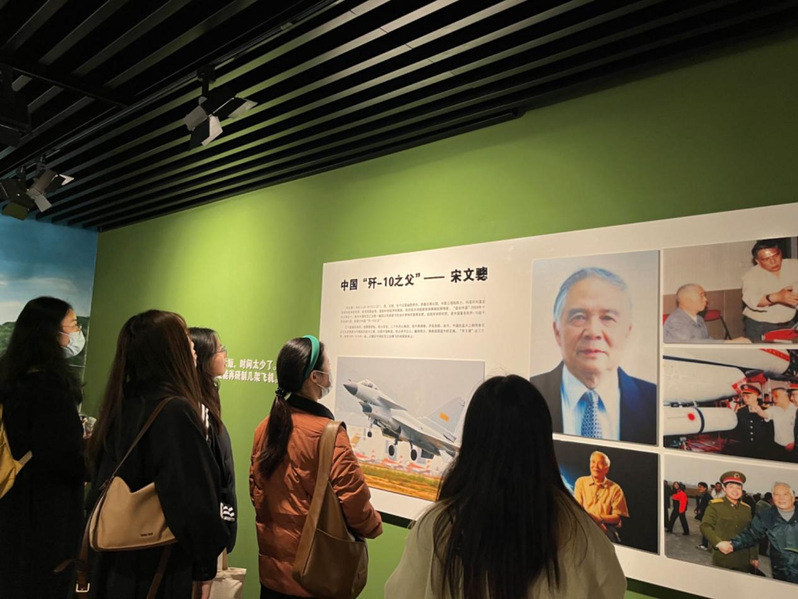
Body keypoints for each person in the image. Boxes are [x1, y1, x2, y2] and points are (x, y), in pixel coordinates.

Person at [385, 375, 626, 599]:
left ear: (474, 440)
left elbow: (401, 592)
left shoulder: (438, 527)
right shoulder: (581, 534)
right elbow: (611, 586)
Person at [87, 310, 229, 599]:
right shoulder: (174, 410)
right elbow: (193, 500)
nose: (192, 345)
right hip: (156, 562)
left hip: (112, 560)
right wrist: (205, 567)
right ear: (168, 350)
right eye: (184, 338)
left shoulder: (121, 402)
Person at [250, 335, 382, 598]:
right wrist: (373, 526)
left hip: (272, 577)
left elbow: (256, 492)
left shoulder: (265, 428)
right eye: (328, 368)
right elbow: (354, 500)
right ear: (315, 377)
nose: (330, 374)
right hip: (312, 577)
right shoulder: (329, 434)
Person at [0, 297, 86, 599]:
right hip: (42, 510)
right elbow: (62, 454)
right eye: (73, 325)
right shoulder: (49, 386)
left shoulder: (10, 375)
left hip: (10, 496)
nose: (77, 332)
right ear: (50, 332)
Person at [530, 268, 656, 444]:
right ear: (557, 331)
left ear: (627, 331)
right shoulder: (526, 395)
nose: (593, 332)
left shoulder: (654, 402)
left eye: (608, 318)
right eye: (579, 317)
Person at [190, 327, 237, 553]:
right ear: (203, 358)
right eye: (220, 349)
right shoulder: (196, 410)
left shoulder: (206, 401)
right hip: (204, 529)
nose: (225, 354)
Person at [717, 483, 798, 583]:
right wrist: (732, 544)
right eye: (777, 495)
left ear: (793, 497)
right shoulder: (766, 516)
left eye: (785, 494)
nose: (781, 498)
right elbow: (752, 534)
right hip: (782, 571)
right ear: (773, 498)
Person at [699, 471, 757, 573]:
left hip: (743, 559)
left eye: (738, 487)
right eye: (731, 487)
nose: (735, 491)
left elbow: (751, 533)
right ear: (724, 489)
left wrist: (754, 556)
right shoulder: (715, 505)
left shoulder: (747, 509)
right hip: (723, 557)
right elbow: (705, 526)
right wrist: (718, 543)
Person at [741, 239, 798, 341]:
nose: (773, 262)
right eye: (766, 259)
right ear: (757, 261)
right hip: (760, 326)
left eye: (775, 255)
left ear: (780, 253)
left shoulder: (794, 265)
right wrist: (778, 297)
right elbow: (752, 300)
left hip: (789, 324)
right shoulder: (751, 276)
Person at [573, 451, 629, 543]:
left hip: (605, 529)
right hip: (584, 526)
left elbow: (617, 518)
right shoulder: (581, 482)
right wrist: (593, 520)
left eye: (600, 463)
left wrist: (600, 519)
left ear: (607, 469)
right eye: (593, 462)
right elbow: (577, 509)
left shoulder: (615, 488)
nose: (595, 466)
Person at [663, 284, 750, 343]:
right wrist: (727, 343)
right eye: (701, 296)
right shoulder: (676, 321)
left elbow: (708, 340)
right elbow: (692, 345)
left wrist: (731, 343)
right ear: (687, 300)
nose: (705, 299)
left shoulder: (699, 318)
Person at [725, 385, 774, 460]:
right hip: (746, 448)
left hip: (763, 448)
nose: (745, 399)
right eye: (743, 396)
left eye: (748, 396)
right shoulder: (741, 411)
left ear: (755, 396)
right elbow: (738, 429)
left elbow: (771, 430)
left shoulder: (766, 410)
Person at [760, 386, 797, 459]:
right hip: (778, 446)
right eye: (773, 397)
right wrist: (757, 409)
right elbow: (764, 414)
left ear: (786, 396)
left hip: (794, 447)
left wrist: (794, 443)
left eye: (776, 396)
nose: (774, 399)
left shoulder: (795, 409)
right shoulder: (774, 409)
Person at [694, 482, 712, 550]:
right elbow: (701, 504)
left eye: (701, 487)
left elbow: (710, 506)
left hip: (706, 516)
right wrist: (697, 509)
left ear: (705, 488)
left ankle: (705, 545)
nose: (699, 488)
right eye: (699, 487)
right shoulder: (702, 495)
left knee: (705, 529)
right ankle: (704, 544)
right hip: (703, 515)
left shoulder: (707, 496)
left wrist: (703, 511)